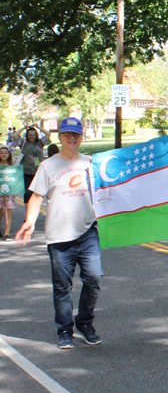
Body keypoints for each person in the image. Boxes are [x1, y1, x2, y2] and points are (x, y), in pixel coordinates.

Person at [15, 117, 103, 350]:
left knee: (93, 278)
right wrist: (30, 222)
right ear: (60, 137)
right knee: (62, 286)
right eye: (66, 134)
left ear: (82, 137)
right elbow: (36, 196)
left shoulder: (92, 163)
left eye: (76, 134)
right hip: (59, 235)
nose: (71, 138)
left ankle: (84, 323)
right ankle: (64, 329)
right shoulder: (48, 165)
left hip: (87, 230)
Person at [12, 124, 51, 205]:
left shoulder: (40, 142)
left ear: (36, 135)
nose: (31, 136)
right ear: (27, 135)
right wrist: (23, 127)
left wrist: (38, 127)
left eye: (33, 134)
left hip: (39, 171)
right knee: (27, 193)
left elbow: (48, 134)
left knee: (38, 193)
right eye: (29, 134)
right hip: (26, 171)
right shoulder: (23, 143)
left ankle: (35, 212)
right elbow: (15, 135)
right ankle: (28, 215)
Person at [0, 146, 17, 240]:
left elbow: (16, 179)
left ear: (9, 154)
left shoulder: (12, 166)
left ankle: (7, 233)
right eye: (1, 153)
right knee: (0, 212)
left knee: (8, 212)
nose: (3, 155)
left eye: (5, 153)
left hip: (10, 193)